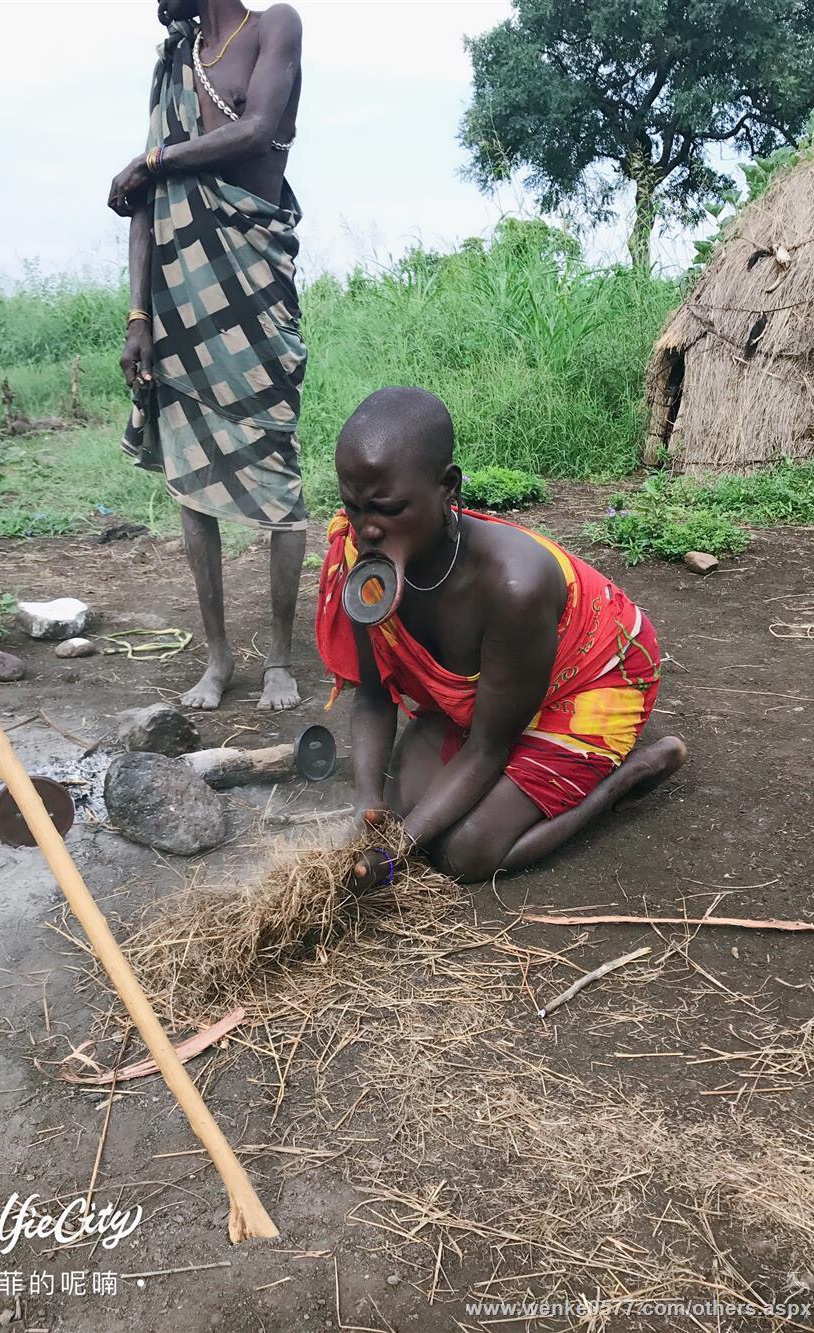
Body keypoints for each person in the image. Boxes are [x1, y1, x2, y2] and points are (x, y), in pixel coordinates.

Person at [315, 387, 687, 885]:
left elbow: (489, 746)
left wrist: (395, 854)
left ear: (448, 488)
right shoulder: (361, 563)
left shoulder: (515, 585)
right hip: (499, 694)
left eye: (387, 508)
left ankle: (625, 778)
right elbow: (374, 696)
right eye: (354, 508)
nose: (367, 530)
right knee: (406, 812)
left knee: (465, 853)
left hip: (594, 681)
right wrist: (367, 803)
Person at [109, 0, 306, 710]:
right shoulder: (173, 66)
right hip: (180, 308)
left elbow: (260, 130)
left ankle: (280, 657)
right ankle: (218, 659)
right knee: (194, 484)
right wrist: (139, 316)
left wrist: (154, 157)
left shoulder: (275, 26)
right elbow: (146, 203)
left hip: (253, 290)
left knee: (277, 475)